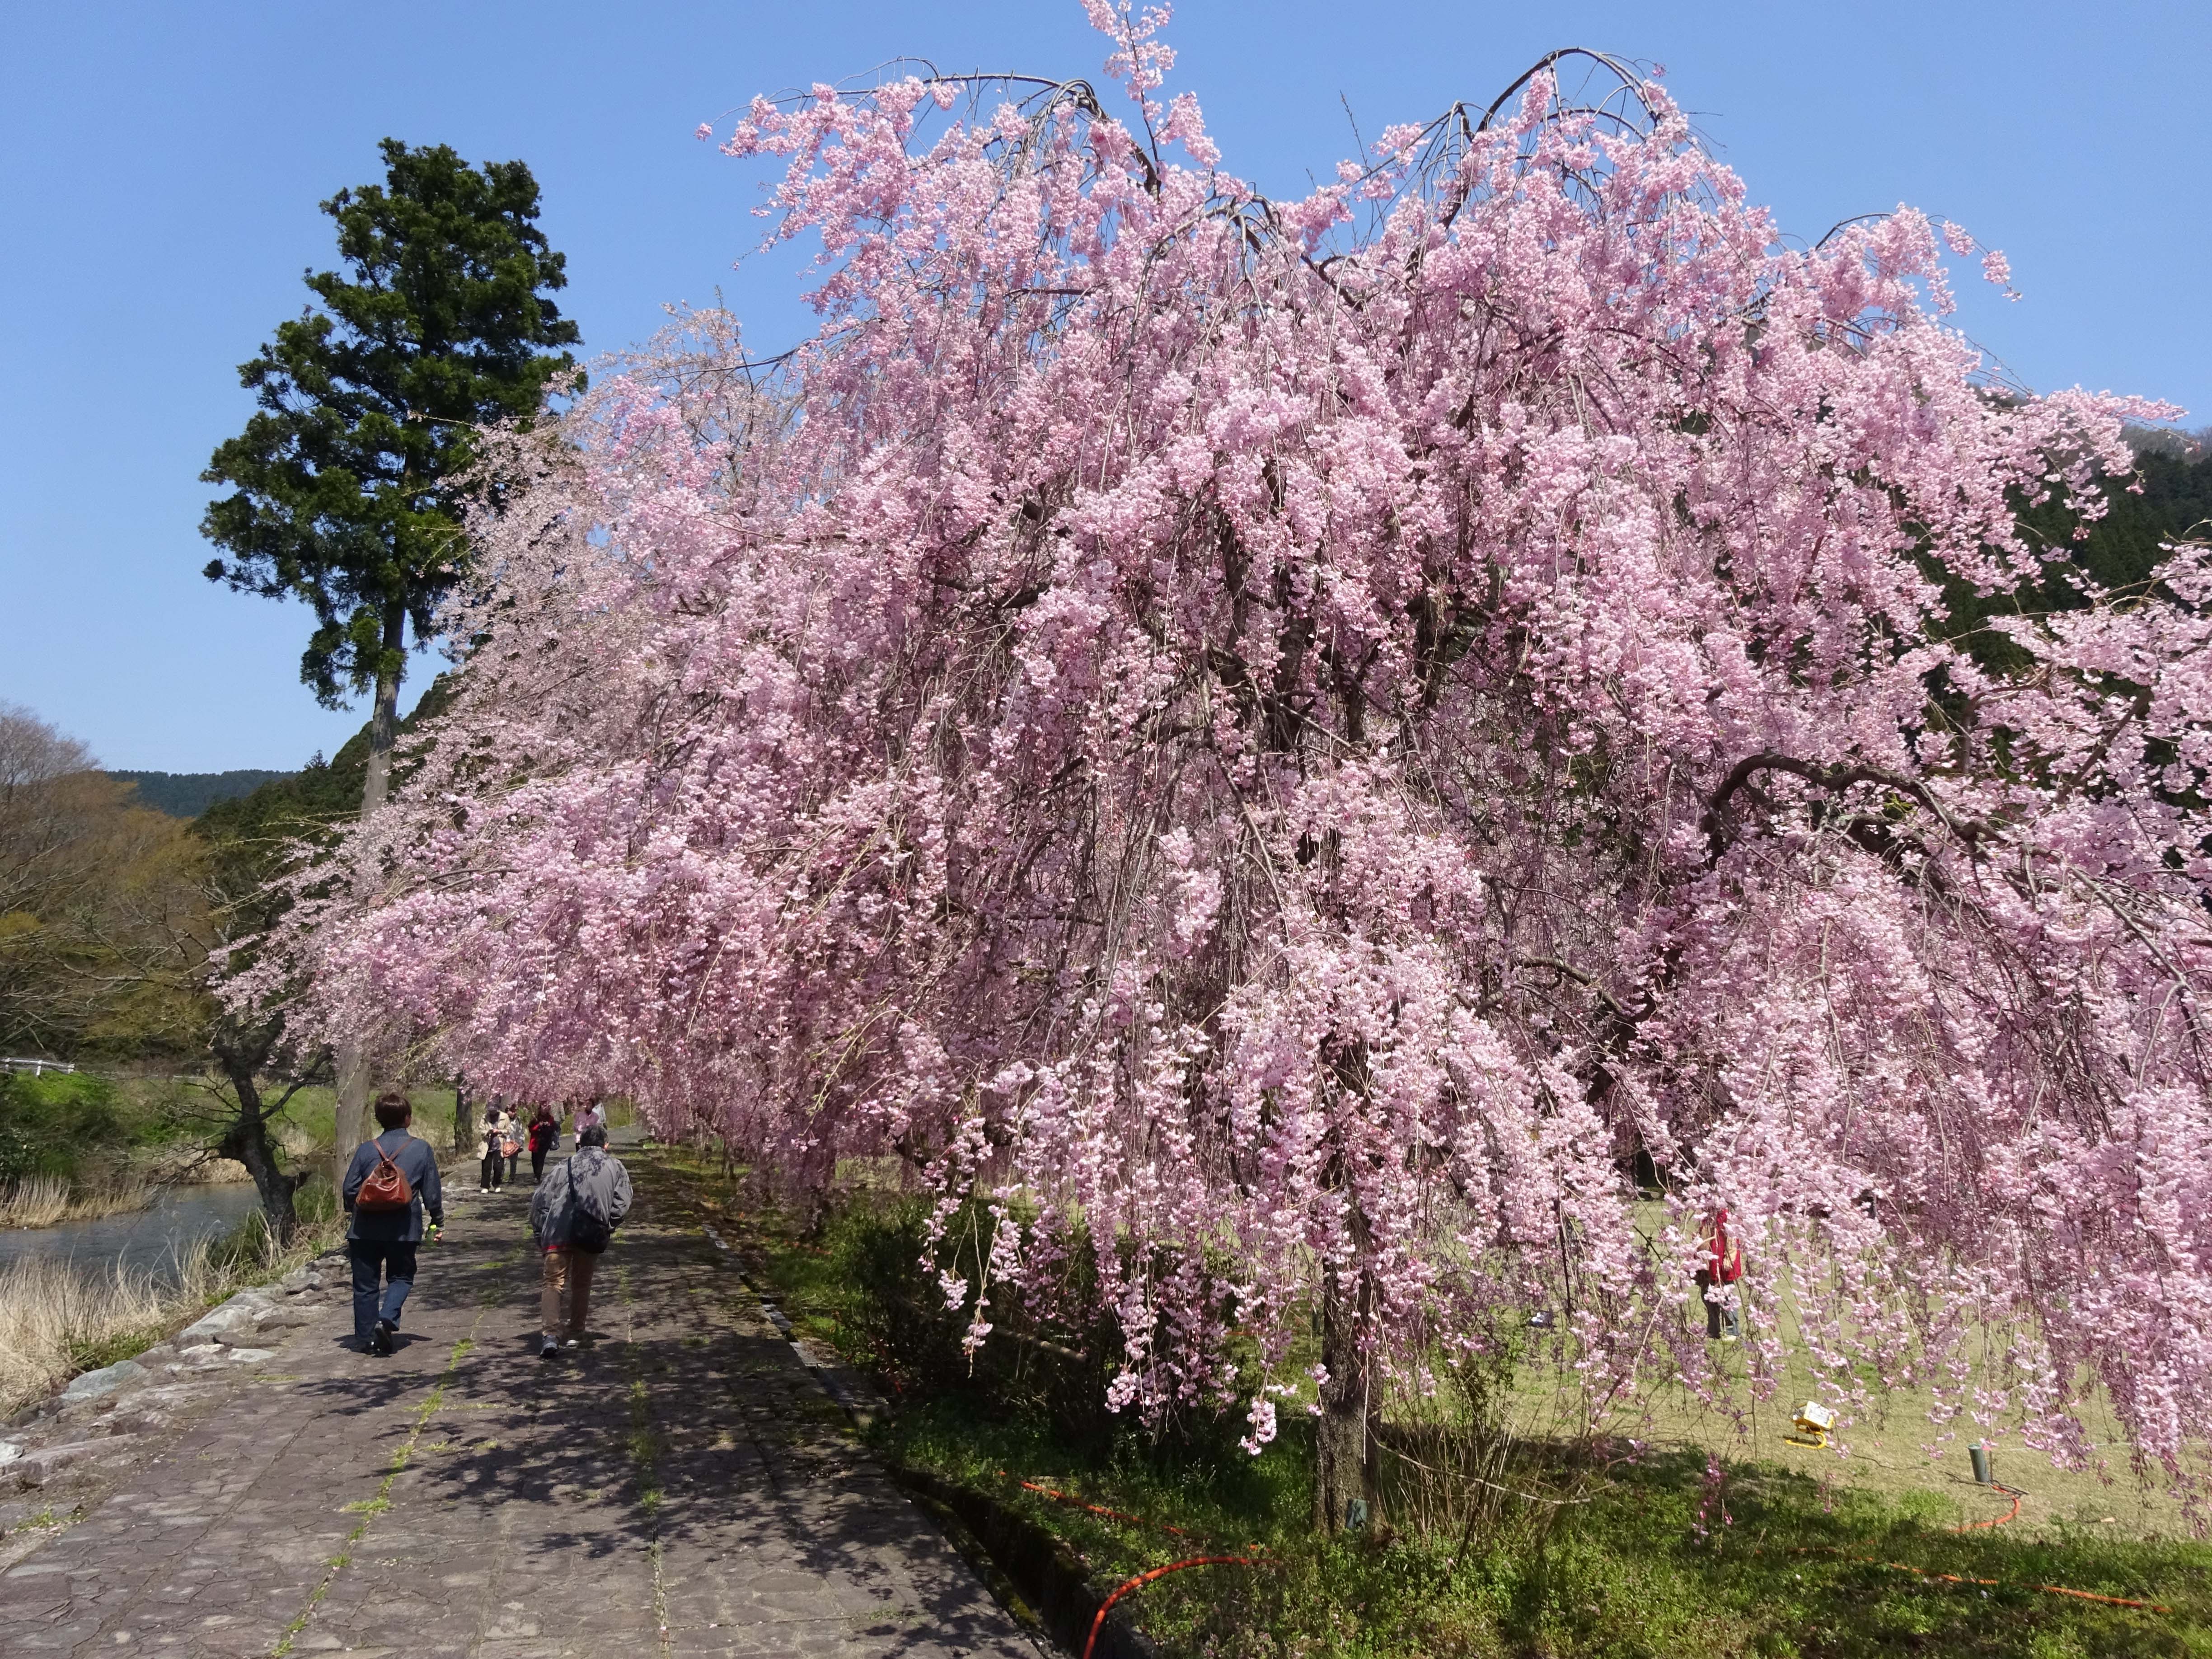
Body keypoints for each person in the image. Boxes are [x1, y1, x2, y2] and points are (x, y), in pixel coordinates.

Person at [341, 1092, 444, 1356]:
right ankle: (386, 1319)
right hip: (403, 1228)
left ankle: (366, 1340)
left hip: (364, 1229)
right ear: (407, 1119)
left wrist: (353, 1211)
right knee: (401, 1276)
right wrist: (437, 1218)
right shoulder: (421, 1149)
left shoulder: (367, 1149)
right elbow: (432, 1190)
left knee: (365, 1285)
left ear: (379, 1119)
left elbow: (350, 1188)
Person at [530, 1123, 632, 1359]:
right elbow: (623, 1201)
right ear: (606, 1145)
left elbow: (540, 1202)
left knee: (553, 1283)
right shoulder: (615, 1167)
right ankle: (575, 1332)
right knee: (582, 1283)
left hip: (557, 1231)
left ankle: (551, 1336)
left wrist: (541, 1233)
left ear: (580, 1144)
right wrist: (608, 1225)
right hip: (591, 1232)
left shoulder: (562, 1166)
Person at [1697, 1206, 1744, 1342]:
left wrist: (1729, 1258)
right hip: (1709, 1261)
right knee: (1707, 1296)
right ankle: (1713, 1329)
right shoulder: (1707, 1213)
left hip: (1723, 1261)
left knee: (1726, 1298)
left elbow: (1732, 1238)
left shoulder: (1726, 1214)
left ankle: (1732, 1330)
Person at [476, 1103, 511, 1193]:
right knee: (486, 1168)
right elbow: (480, 1131)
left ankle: (497, 1184)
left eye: (494, 1111)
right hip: (487, 1145)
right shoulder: (485, 1117)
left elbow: (509, 1130)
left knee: (498, 1167)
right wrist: (488, 1132)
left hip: (500, 1145)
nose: (492, 1112)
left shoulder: (505, 1117)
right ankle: (485, 1186)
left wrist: (499, 1131)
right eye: (490, 1111)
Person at [526, 1105, 558, 1185]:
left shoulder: (550, 1118)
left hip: (545, 1142)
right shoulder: (535, 1118)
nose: (545, 1109)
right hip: (536, 1142)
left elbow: (555, 1129)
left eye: (547, 1107)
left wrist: (549, 1125)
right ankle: (536, 1174)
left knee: (541, 1159)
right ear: (540, 1108)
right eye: (543, 1107)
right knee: (534, 1160)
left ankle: (538, 1177)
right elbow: (531, 1129)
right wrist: (538, 1126)